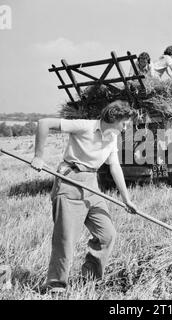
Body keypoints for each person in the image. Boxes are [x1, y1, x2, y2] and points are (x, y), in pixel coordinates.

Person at [31, 100, 138, 294]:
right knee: (66, 239)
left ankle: (89, 280)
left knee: (107, 235)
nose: (125, 128)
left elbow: (114, 166)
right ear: (113, 118)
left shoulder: (111, 138)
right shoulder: (84, 126)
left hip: (92, 185)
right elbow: (44, 123)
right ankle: (56, 285)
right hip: (70, 180)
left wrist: (126, 199)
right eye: (124, 123)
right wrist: (38, 156)